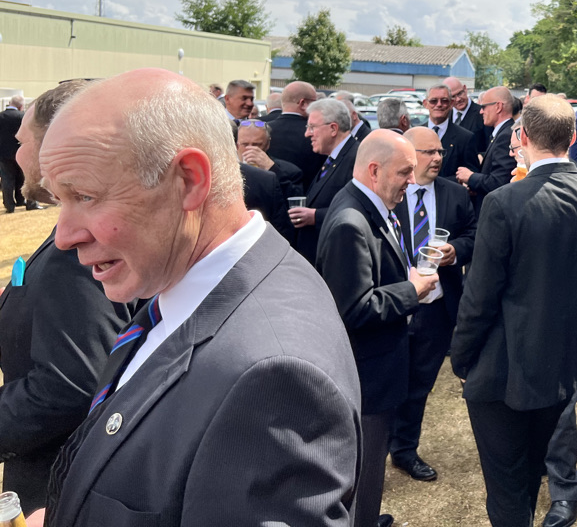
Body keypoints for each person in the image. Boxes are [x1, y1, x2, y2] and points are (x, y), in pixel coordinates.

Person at [37, 68, 361, 527]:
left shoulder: (272, 377)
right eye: (59, 201)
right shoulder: (190, 283)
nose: (64, 236)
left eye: (86, 196)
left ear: (189, 180)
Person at [450, 95, 577, 527]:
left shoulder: (504, 202)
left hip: (506, 366)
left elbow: (479, 296)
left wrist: (462, 358)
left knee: (507, 487)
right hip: (566, 359)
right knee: (526, 474)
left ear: (522, 136)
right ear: (574, 136)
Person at [0, 82, 131, 514]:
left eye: (22, 141)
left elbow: (70, 385)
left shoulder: (77, 251)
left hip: (57, 487)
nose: (17, 154)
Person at [317, 131, 439, 527]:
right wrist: (412, 291)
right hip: (367, 376)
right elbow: (353, 308)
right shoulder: (351, 223)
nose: (412, 180)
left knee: (370, 465)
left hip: (377, 369)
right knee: (365, 465)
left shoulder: (369, 204)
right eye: (404, 172)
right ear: (374, 170)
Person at [389, 127, 477, 482]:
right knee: (387, 382)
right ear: (409, 156)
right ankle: (374, 448)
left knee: (420, 384)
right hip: (394, 305)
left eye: (440, 151)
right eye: (428, 152)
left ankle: (404, 450)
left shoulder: (454, 194)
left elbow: (473, 234)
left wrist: (457, 250)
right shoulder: (391, 192)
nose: (438, 158)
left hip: (438, 306)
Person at [289, 98, 359, 265]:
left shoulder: (355, 157)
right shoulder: (332, 158)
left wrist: (315, 216)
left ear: (333, 128)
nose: (307, 134)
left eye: (312, 127)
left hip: (335, 258)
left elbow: (358, 209)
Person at [456, 87, 517, 213]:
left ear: (498, 107)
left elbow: (499, 182)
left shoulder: (505, 136)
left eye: (483, 107)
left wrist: (470, 177)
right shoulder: (502, 133)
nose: (480, 111)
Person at [267, 81, 326, 190]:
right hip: (305, 196)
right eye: (315, 103)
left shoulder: (263, 131)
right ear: (303, 103)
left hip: (269, 194)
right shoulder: (318, 133)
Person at [235, 119, 304, 199]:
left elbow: (295, 200)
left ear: (267, 144)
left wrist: (272, 169)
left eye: (256, 144)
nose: (250, 149)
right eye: (245, 144)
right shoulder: (227, 169)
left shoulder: (290, 171)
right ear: (236, 145)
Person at [422, 84, 478, 180]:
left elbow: (471, 174)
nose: (439, 104)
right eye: (433, 101)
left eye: (444, 101)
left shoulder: (465, 138)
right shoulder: (415, 134)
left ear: (451, 103)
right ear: (425, 104)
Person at [0, 96, 41, 213]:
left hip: (4, 153)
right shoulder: (22, 116)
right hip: (21, 152)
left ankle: (9, 205)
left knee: (7, 179)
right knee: (26, 178)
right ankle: (29, 202)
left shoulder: (1, 116)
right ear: (21, 106)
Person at [444, 77, 489, 154]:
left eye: (460, 93)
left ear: (465, 89)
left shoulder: (482, 113)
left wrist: (481, 156)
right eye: (453, 96)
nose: (458, 99)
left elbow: (490, 147)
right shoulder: (445, 116)